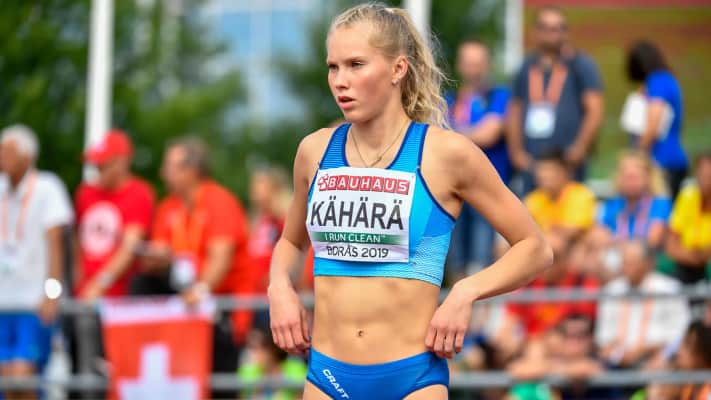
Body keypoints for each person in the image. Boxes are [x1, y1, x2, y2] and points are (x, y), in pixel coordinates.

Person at [267, 4, 553, 399]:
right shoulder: (314, 151)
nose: (340, 81)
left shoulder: (446, 154)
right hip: (328, 376)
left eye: (356, 65)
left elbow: (535, 248)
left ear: (398, 69)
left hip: (412, 378)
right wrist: (278, 287)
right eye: (333, 67)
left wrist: (465, 291)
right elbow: (290, 241)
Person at [133, 136, 253, 386]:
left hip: (221, 309)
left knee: (219, 387)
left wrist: (199, 291)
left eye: (170, 167)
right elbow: (156, 257)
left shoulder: (219, 201)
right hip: (186, 306)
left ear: (192, 170)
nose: (163, 173)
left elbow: (221, 258)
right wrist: (154, 257)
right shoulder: (168, 207)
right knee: (141, 283)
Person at [0, 125, 74, 400]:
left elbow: (57, 245)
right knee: (7, 381)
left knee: (23, 378)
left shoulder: (47, 187)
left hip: (32, 303)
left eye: (8, 151)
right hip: (4, 302)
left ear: (27, 156)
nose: (2, 157)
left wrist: (52, 294)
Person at [507, 5, 604, 194]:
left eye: (557, 28)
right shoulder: (526, 67)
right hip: (532, 164)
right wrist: (516, 152)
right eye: (545, 28)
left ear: (565, 33)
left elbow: (595, 109)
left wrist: (579, 148)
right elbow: (515, 110)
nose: (551, 34)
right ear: (535, 31)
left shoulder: (580, 65)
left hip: (567, 164)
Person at [446, 39, 512, 278]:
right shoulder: (450, 99)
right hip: (455, 189)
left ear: (487, 65)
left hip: (489, 189)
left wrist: (454, 134)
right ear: (460, 65)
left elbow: (489, 134)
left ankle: (482, 304)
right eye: (468, 63)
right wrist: (470, 133)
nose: (473, 69)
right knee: (456, 262)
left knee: (484, 260)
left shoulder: (500, 96)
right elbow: (437, 135)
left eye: (478, 63)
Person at [76, 129, 155, 300]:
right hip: (83, 291)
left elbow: (130, 247)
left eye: (102, 165)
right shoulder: (86, 193)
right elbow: (78, 241)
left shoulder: (138, 193)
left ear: (121, 162)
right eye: (95, 166)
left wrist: (99, 285)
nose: (97, 171)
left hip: (119, 297)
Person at [579, 150, 671, 281]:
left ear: (648, 178)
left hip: (648, 264)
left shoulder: (659, 204)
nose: (630, 181)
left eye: (635, 177)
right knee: (587, 258)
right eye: (626, 176)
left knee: (627, 259)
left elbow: (652, 241)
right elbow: (595, 237)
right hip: (616, 261)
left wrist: (613, 241)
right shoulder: (612, 205)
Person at [596, 240, 689, 369]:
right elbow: (603, 338)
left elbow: (678, 334)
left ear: (648, 263)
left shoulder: (669, 289)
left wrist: (650, 350)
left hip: (658, 359)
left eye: (633, 263)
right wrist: (617, 355)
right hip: (616, 362)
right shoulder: (611, 291)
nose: (627, 268)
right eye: (625, 262)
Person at [624, 40, 688, 199]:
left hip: (662, 161)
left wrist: (637, 153)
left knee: (660, 209)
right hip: (668, 158)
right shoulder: (664, 80)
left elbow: (653, 123)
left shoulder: (658, 80)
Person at [523, 150, 597, 243]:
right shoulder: (533, 199)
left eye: (549, 170)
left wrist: (549, 231)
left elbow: (576, 229)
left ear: (564, 172)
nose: (544, 175)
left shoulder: (580, 194)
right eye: (541, 170)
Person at [666, 152, 711, 284]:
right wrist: (690, 256)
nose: (705, 181)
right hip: (686, 263)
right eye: (701, 175)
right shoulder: (688, 197)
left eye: (709, 176)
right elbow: (672, 241)